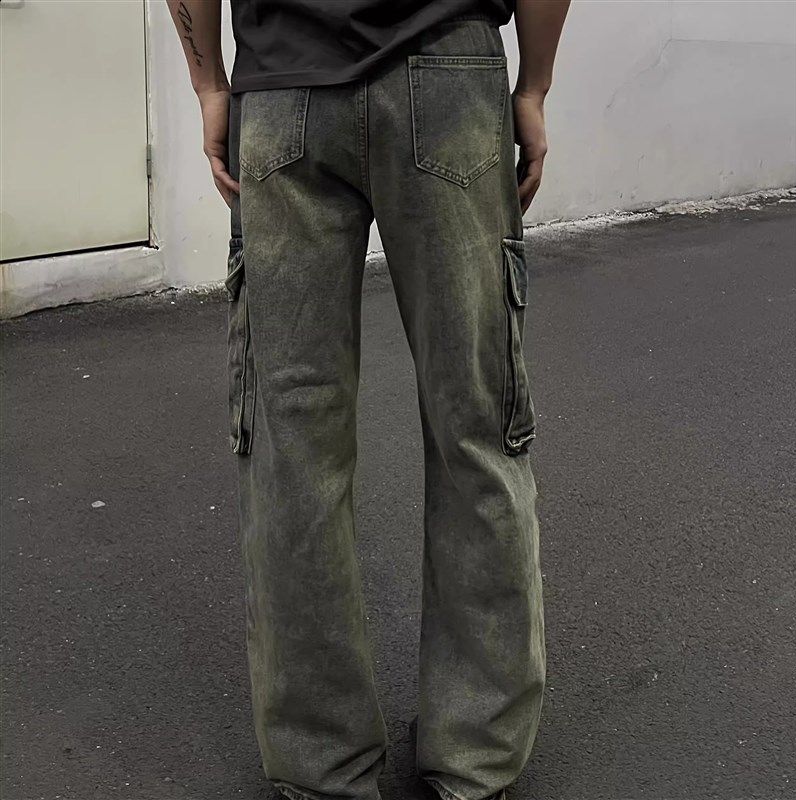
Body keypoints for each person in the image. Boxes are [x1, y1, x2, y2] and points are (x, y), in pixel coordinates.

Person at [167, 1, 570, 798]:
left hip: (284, 83)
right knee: (476, 425)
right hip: (448, 70)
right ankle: (478, 755)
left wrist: (210, 84)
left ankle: (322, 764)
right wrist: (533, 86)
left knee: (293, 447)